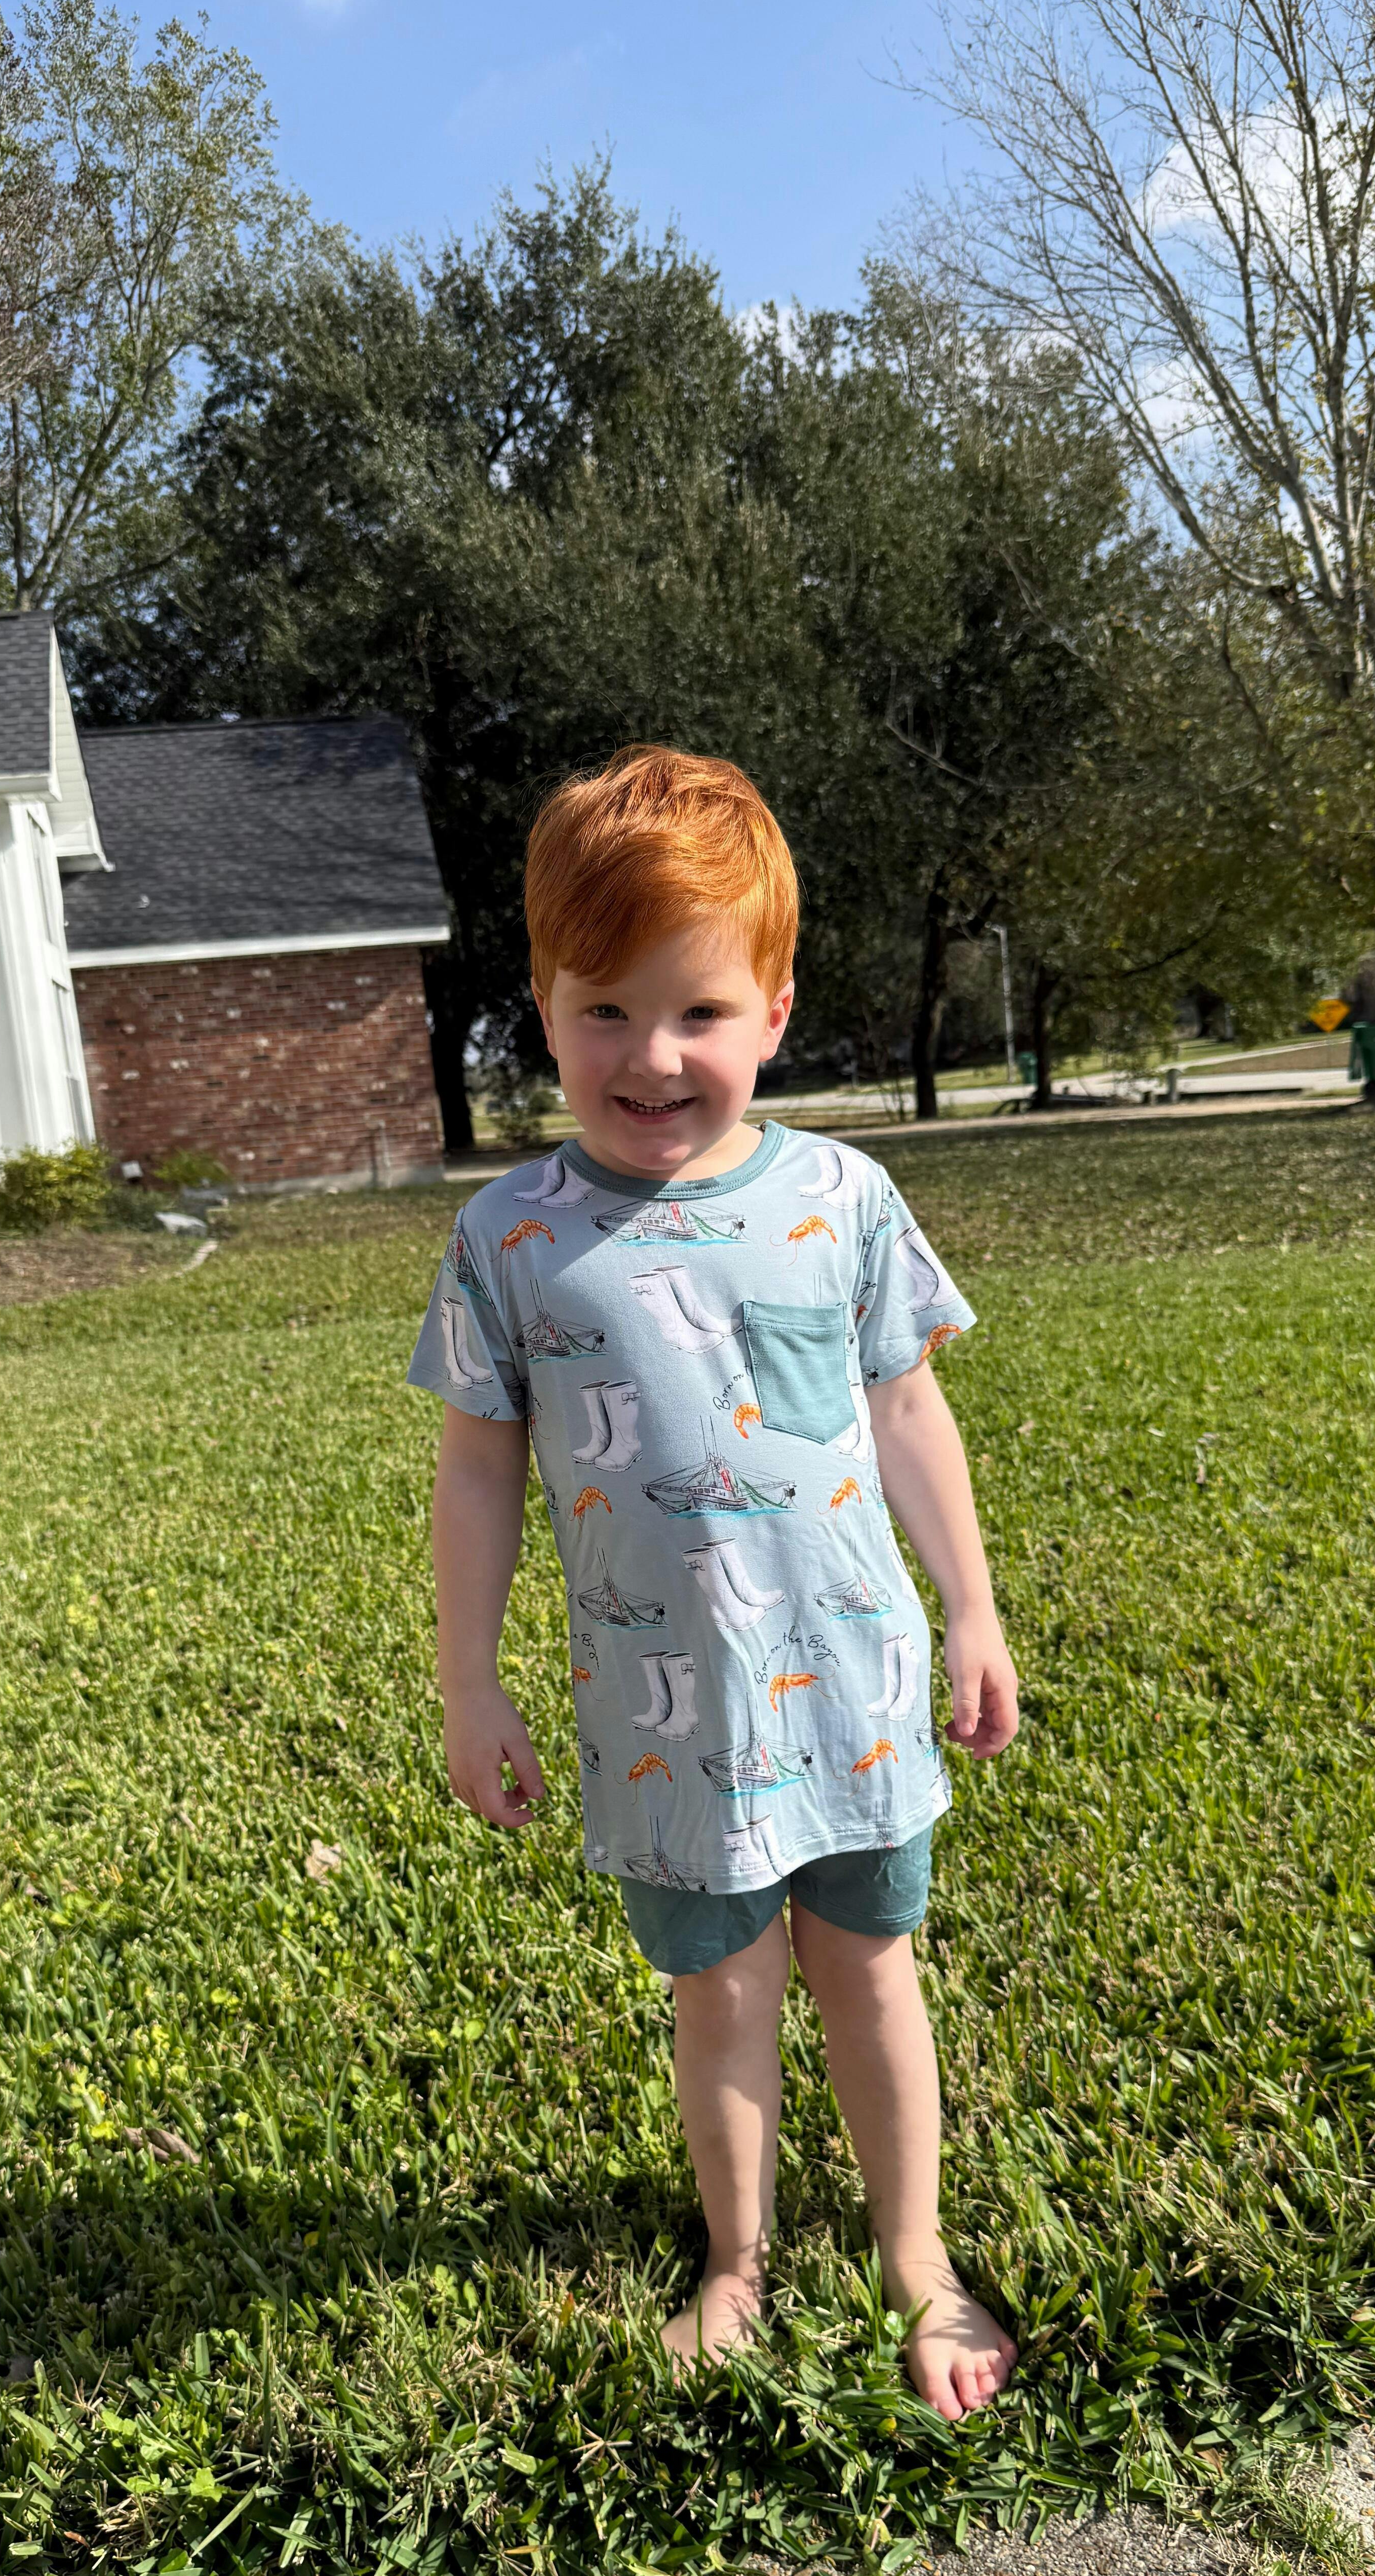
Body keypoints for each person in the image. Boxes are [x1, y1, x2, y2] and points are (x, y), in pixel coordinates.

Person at [407, 745, 1020, 2420]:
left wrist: (970, 1606)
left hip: (853, 1682)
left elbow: (907, 1408)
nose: (653, 1056)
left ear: (774, 1009)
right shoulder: (511, 1237)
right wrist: (470, 1682)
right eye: (604, 1010)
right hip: (662, 1714)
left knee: (871, 1970)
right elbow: (479, 1467)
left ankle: (916, 2257)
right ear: (542, 1007)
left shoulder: (841, 1198)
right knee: (722, 1991)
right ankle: (736, 2262)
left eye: (698, 1012)